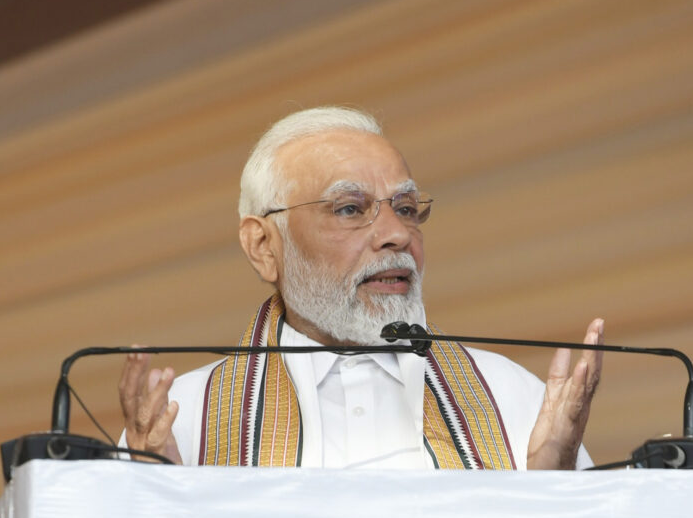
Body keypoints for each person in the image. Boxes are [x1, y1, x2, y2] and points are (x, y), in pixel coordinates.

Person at [118, 106, 603, 470]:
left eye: (407, 208)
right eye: (351, 208)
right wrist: (150, 506)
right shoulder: (184, 417)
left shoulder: (511, 397)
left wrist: (552, 492)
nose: (396, 234)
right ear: (264, 246)